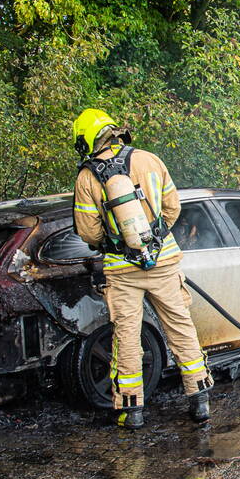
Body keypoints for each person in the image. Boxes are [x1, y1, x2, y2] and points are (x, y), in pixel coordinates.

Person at [72, 108, 213, 430]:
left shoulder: (86, 177)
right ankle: (200, 400)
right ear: (113, 131)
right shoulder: (150, 160)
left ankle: (132, 410)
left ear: (86, 139)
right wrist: (154, 239)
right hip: (163, 262)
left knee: (126, 337)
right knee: (181, 329)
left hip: (122, 271)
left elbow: (88, 232)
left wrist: (116, 244)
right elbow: (173, 207)